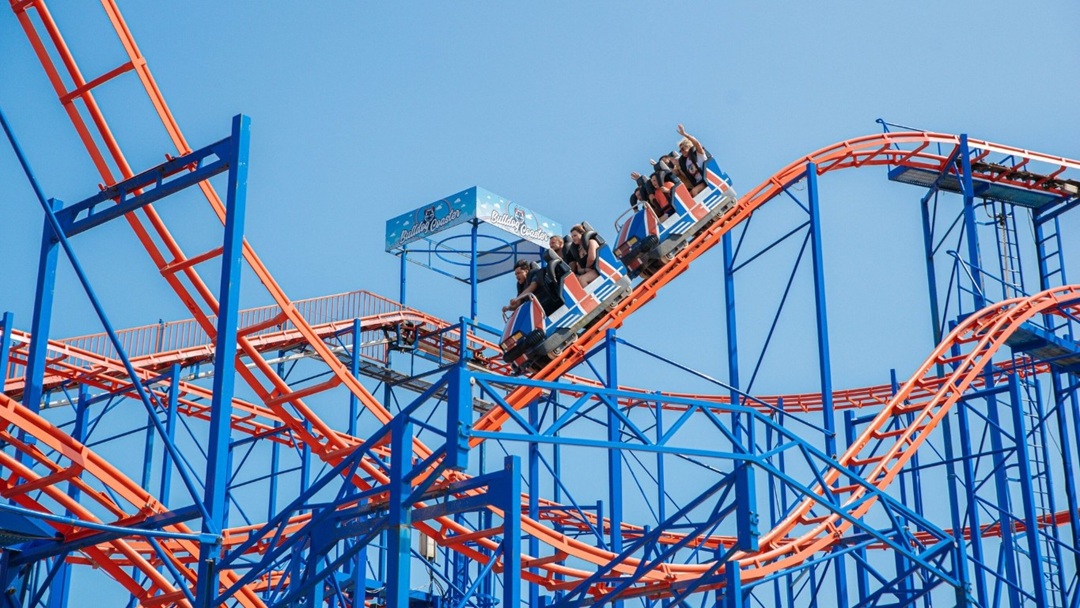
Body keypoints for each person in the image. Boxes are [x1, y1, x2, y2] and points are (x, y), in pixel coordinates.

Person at [676, 124, 710, 196]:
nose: (682, 152)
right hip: (698, 182)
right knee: (689, 195)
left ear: (688, 147)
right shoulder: (685, 162)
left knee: (694, 191)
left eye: (683, 149)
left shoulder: (698, 154)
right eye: (680, 151)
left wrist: (685, 134)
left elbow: (697, 144)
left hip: (707, 179)